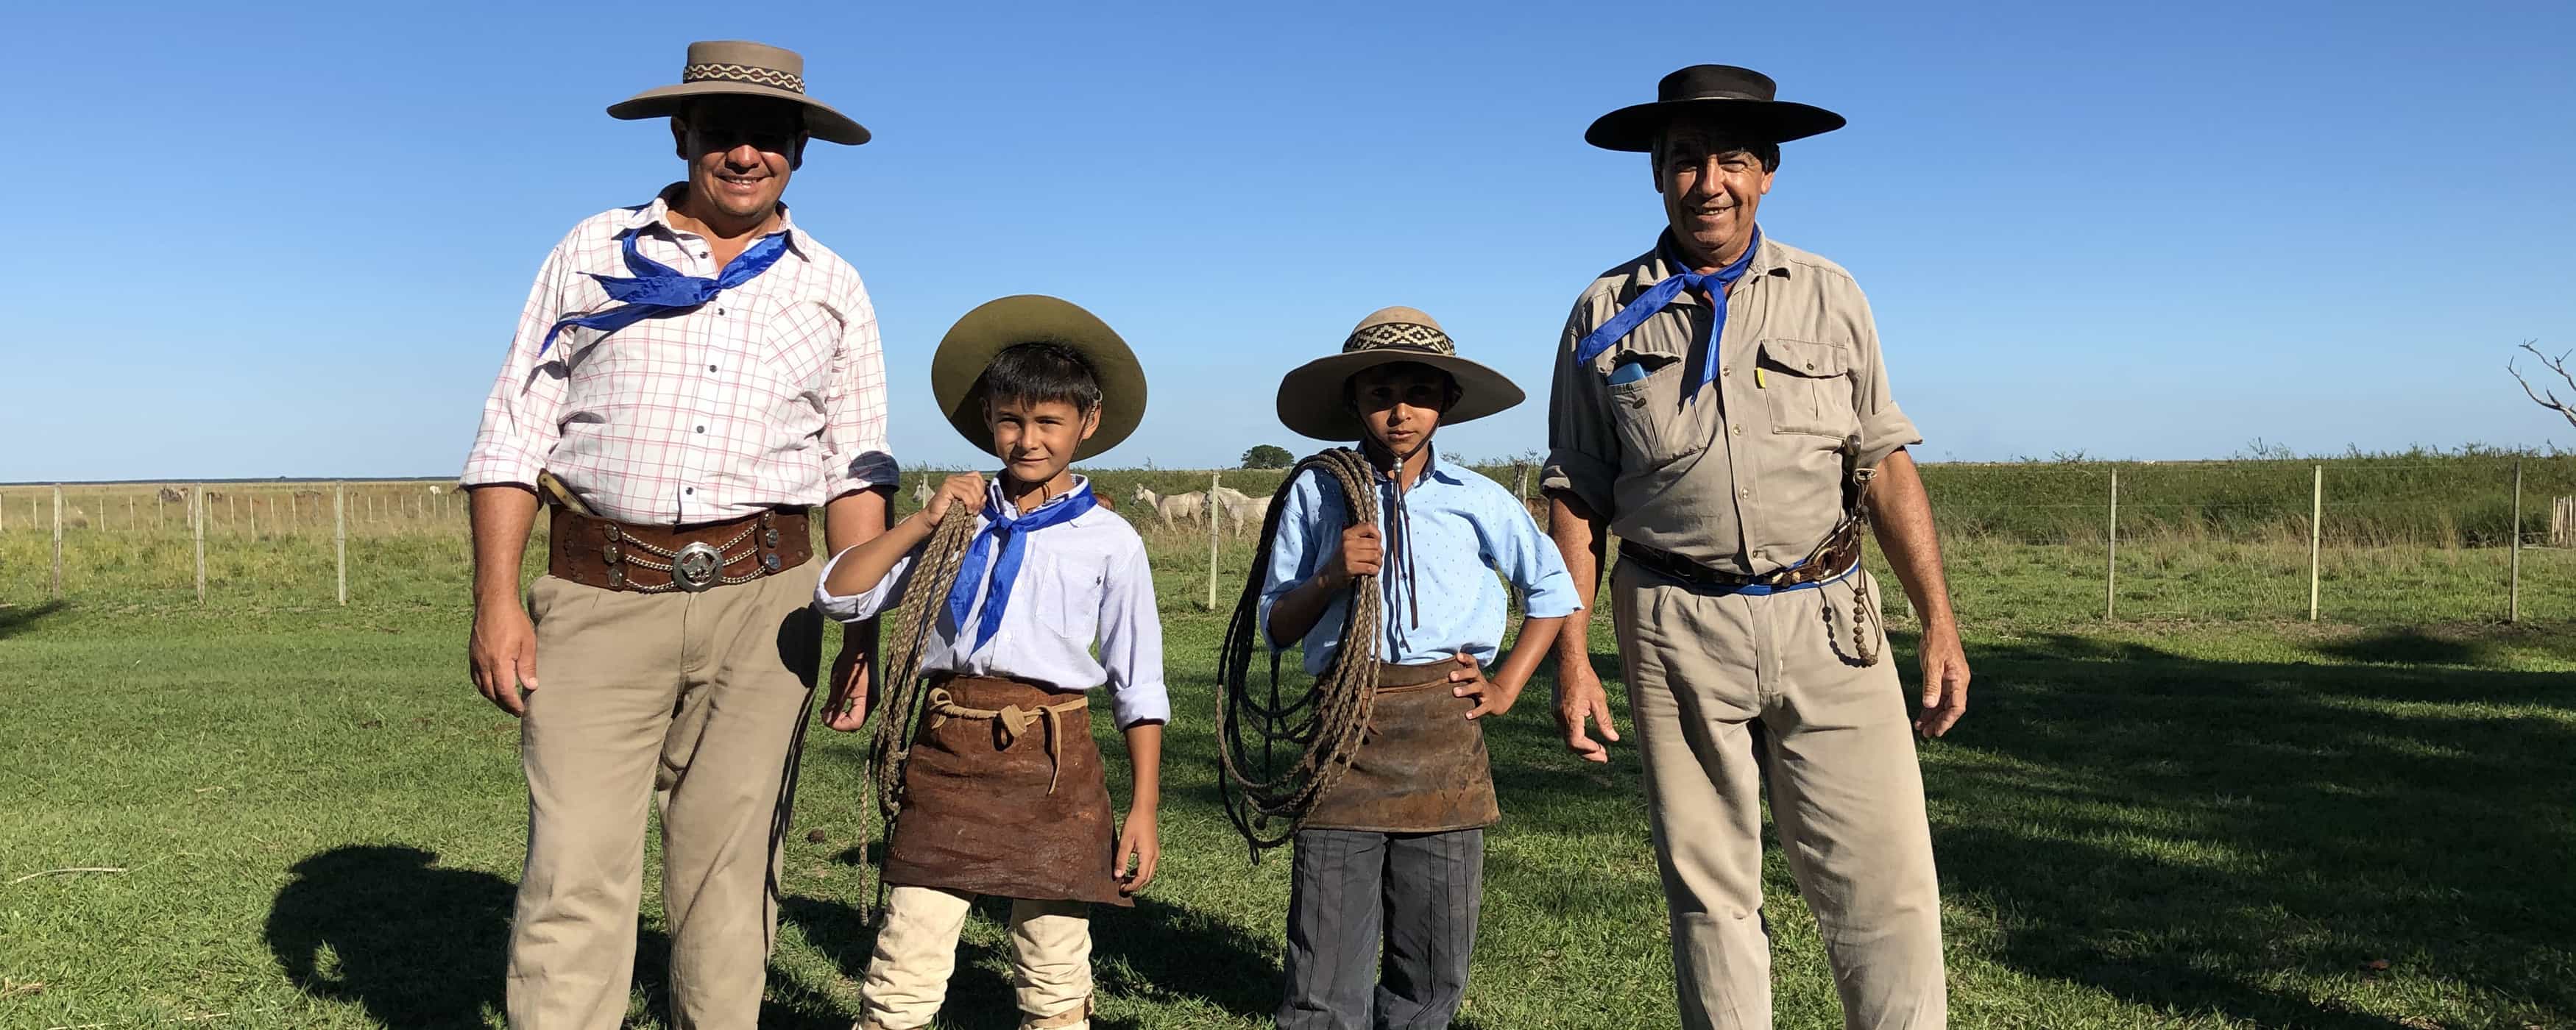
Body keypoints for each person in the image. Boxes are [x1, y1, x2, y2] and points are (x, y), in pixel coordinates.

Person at [458, 40, 894, 1029]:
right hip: (598, 594)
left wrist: (862, 628)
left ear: (800, 150)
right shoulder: (595, 251)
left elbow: (855, 466)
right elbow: (514, 430)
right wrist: (494, 600)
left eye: (770, 136)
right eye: (724, 133)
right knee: (573, 873)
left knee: (732, 879)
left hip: (767, 607)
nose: (747, 155)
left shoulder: (833, 287)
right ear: (683, 134)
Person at [1540, 65, 1972, 1029]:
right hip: (1672, 623)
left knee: (1885, 886)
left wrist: (1938, 624)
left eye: (1731, 159)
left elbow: (1886, 468)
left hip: (1832, 620)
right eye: (1685, 160)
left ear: (1768, 171)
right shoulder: (1602, 312)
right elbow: (1575, 499)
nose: (1709, 183)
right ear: (1657, 175)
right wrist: (1572, 662)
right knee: (1711, 896)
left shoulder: (1831, 294)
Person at [816, 296, 1164, 1030]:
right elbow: (839, 596)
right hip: (948, 752)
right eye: (1010, 419)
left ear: (1087, 423)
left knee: (1053, 960)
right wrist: (920, 520)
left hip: (1052, 760)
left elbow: (1139, 682)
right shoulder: (953, 524)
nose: (1027, 439)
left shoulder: (1109, 540)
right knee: (904, 957)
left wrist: (1142, 806)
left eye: (1048, 423)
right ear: (986, 418)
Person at [1256, 308, 1579, 1029]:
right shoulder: (1315, 493)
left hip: (1442, 731)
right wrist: (1329, 575)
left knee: (1433, 953)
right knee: (1324, 949)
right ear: (1352, 400)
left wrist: (1504, 687)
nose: (1398, 410)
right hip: (1344, 727)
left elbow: (1553, 590)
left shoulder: (1478, 500)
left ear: (1447, 402)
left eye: (1417, 391)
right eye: (1378, 392)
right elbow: (1274, 626)